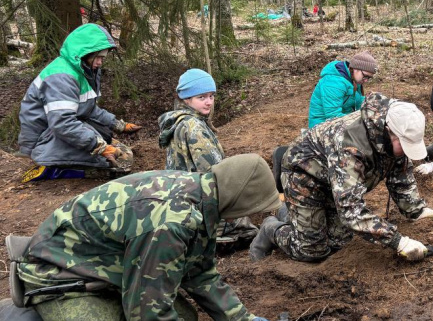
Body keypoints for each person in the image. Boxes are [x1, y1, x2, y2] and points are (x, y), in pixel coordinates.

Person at [8, 154, 280, 321]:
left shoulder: (204, 196)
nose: (250, 216)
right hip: (61, 275)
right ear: (238, 199)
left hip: (108, 269)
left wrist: (242, 319)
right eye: (252, 208)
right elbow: (147, 312)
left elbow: (201, 275)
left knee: (184, 316)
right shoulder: (172, 221)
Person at [250, 93, 433, 263]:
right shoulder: (351, 147)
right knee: (312, 250)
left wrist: (417, 210)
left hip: (334, 181)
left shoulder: (389, 132)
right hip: (304, 176)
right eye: (404, 145)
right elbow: (350, 210)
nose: (406, 152)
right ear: (389, 131)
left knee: (339, 244)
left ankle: (293, 215)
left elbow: (399, 173)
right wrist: (399, 241)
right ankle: (271, 228)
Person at [17, 24, 141, 180]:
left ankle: (67, 162)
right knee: (120, 163)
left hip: (55, 131)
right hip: (44, 139)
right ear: (84, 53)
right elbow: (63, 123)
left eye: (103, 58)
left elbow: (88, 109)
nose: (100, 63)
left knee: (121, 151)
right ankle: (53, 169)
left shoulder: (83, 70)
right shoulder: (62, 77)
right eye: (98, 57)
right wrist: (100, 147)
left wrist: (118, 124)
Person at [158, 69, 258, 246]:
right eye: (202, 97)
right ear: (186, 99)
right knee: (252, 232)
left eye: (211, 96)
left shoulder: (178, 122)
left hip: (180, 204)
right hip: (198, 206)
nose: (209, 102)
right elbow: (215, 173)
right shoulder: (193, 127)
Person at [307, 51, 378, 128]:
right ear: (355, 68)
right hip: (322, 126)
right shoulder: (333, 83)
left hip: (341, 120)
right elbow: (333, 116)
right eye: (365, 76)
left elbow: (357, 101)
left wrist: (373, 104)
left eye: (369, 78)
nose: (366, 80)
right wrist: (364, 120)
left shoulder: (353, 79)